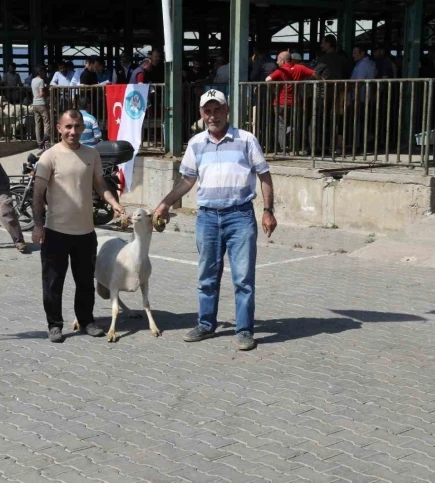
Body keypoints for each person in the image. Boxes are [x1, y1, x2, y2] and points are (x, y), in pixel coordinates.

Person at [154, 90, 277, 351]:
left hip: (240, 216)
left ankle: (244, 330)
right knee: (207, 275)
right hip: (207, 218)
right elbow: (187, 179)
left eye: (217, 109)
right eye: (207, 111)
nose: (213, 115)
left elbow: (264, 175)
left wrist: (268, 210)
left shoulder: (246, 139)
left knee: (243, 278)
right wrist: (165, 203)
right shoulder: (196, 143)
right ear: (201, 114)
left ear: (227, 110)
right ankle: (206, 325)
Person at [32, 109, 125, 343]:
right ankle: (55, 325)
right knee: (53, 282)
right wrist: (37, 225)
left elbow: (100, 184)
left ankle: (86, 320)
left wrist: (114, 203)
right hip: (56, 233)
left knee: (84, 281)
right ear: (59, 128)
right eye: (68, 127)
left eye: (77, 126)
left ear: (84, 128)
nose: (73, 131)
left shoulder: (91, 154)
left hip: (85, 233)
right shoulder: (49, 157)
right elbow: (37, 193)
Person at [265, 51, 315, 151]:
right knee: (295, 125)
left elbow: (268, 79)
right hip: (294, 103)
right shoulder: (300, 68)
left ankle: (284, 149)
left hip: (280, 103)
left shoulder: (280, 71)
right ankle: (294, 148)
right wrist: (322, 82)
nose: (277, 62)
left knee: (281, 126)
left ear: (283, 61)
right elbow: (314, 73)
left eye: (278, 60)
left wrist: (274, 89)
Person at [31, 66, 50, 146]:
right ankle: (46, 141)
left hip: (34, 103)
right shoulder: (41, 81)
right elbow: (41, 94)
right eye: (43, 72)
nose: (44, 73)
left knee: (37, 123)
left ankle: (39, 142)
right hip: (41, 103)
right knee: (46, 123)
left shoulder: (33, 80)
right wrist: (46, 91)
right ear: (40, 72)